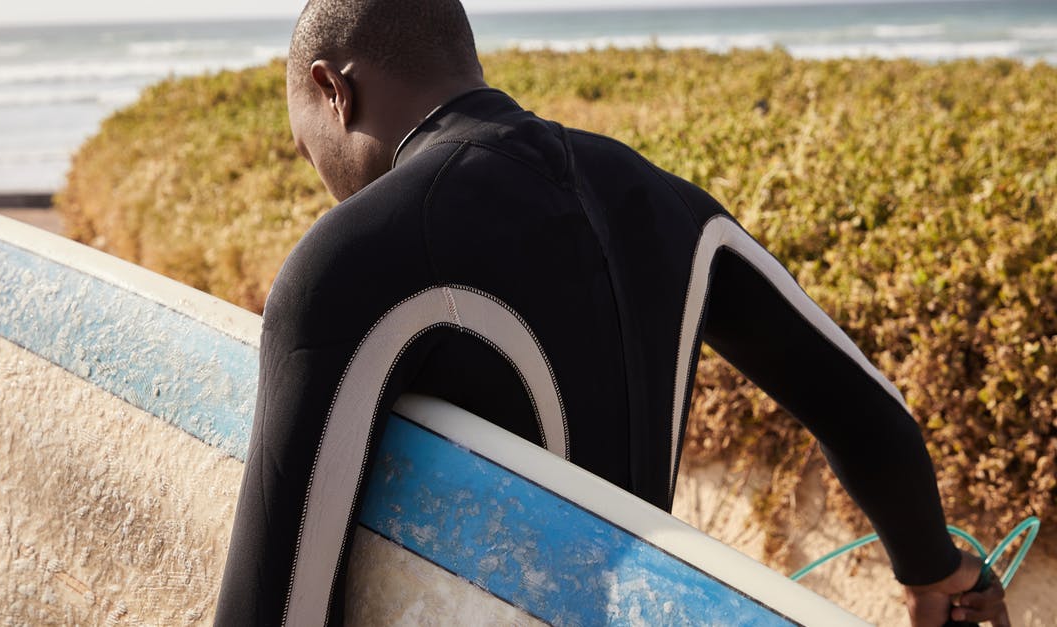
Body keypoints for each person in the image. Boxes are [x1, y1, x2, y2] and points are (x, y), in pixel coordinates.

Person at [215, 1, 1010, 625]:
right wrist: (933, 567)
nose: (321, 176)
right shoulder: (674, 207)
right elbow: (869, 410)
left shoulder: (349, 261)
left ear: (332, 90)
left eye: (305, 146)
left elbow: (280, 609)